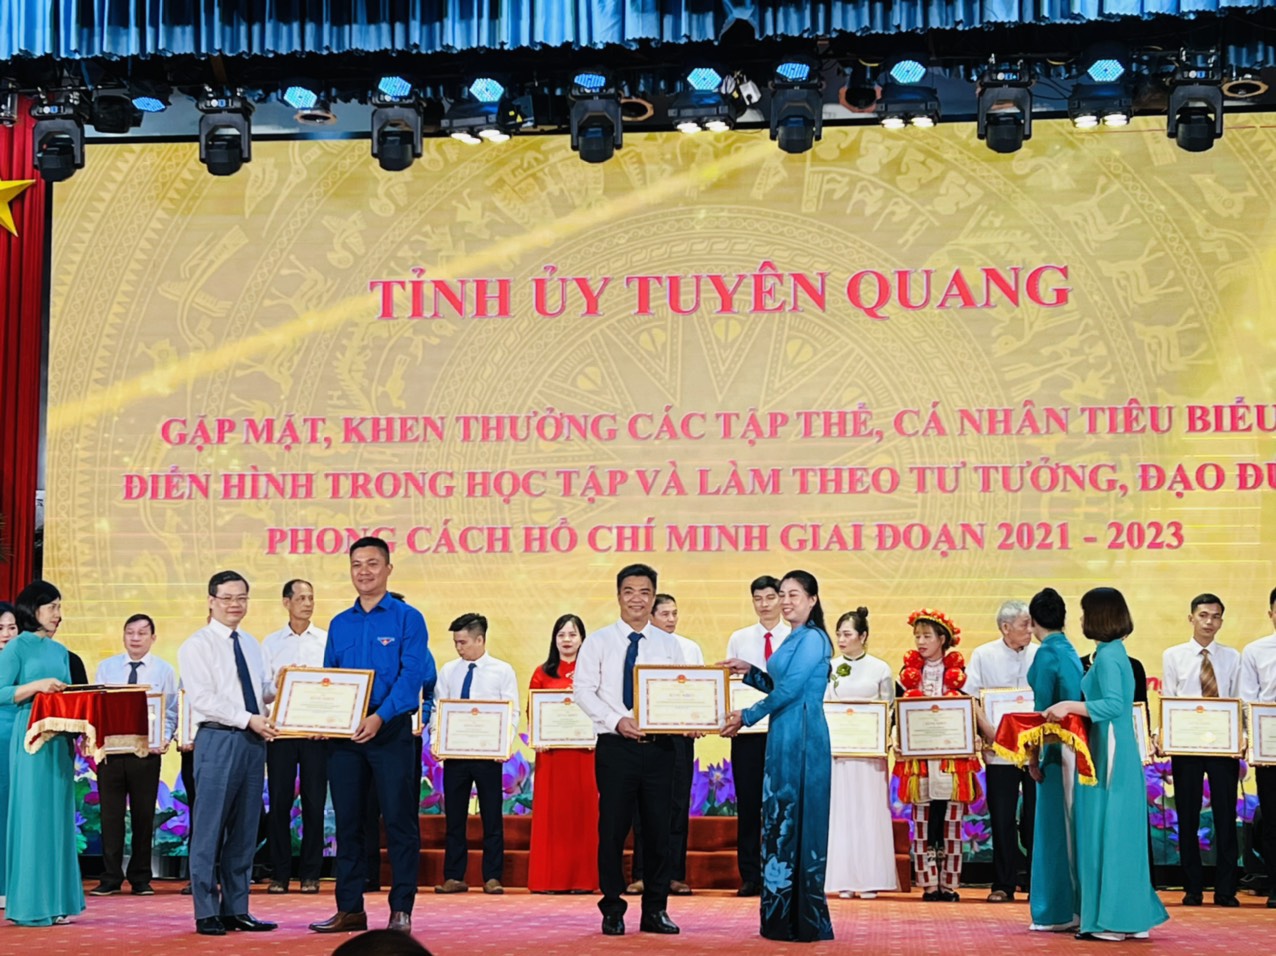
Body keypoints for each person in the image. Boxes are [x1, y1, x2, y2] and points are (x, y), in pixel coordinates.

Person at [311, 537, 428, 936]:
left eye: (372, 563)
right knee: (348, 824)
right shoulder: (340, 623)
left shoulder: (408, 618)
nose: (364, 571)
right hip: (345, 736)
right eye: (357, 564)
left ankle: (401, 910)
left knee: (398, 822)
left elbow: (411, 677)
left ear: (388, 569)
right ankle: (349, 909)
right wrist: (322, 718)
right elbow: (330, 679)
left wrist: (380, 717)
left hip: (390, 731)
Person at [1043, 587, 1169, 941]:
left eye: (1085, 613)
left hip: (1111, 748)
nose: (1081, 619)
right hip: (1107, 744)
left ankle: (1115, 920)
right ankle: (1126, 916)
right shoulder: (1110, 653)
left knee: (1111, 831)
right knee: (1114, 832)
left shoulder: (1110, 656)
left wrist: (1069, 705)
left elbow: (1114, 705)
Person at [721, 569, 833, 942]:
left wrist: (747, 715)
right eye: (782, 594)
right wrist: (750, 672)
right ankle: (780, 918)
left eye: (793, 594)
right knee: (779, 822)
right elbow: (779, 686)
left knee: (797, 822)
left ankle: (802, 919)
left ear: (812, 600)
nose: (785, 601)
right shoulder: (793, 637)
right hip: (783, 734)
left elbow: (791, 691)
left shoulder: (814, 638)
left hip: (803, 736)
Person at [573, 563, 684, 937]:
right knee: (613, 829)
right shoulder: (599, 641)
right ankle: (612, 908)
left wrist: (690, 717)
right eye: (629, 591)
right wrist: (616, 720)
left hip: (660, 748)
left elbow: (680, 691)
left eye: (644, 592)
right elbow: (583, 690)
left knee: (658, 832)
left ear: (653, 597)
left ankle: (655, 909)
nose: (637, 599)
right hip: (615, 747)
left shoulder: (670, 645)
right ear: (619, 595)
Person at [178, 571, 278, 936]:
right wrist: (248, 718)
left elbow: (261, 690)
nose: (235, 605)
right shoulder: (196, 645)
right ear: (211, 601)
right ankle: (206, 911)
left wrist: (287, 684)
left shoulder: (251, 643)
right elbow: (204, 699)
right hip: (218, 739)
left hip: (253, 741)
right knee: (209, 828)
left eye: (242, 598)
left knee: (245, 828)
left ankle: (237, 908)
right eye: (227, 598)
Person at [0, 581, 84, 926]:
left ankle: (58, 902)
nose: (58, 614)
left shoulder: (60, 651)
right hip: (31, 738)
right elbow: (1, 691)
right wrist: (36, 686)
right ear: (33, 609)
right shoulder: (16, 648)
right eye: (53, 607)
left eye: (59, 607)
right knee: (33, 816)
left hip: (59, 741)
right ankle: (30, 905)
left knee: (58, 820)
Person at [1159, 592, 1240, 907]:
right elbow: (1169, 697)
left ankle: (1226, 889)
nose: (1209, 622)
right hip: (1186, 746)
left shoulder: (1232, 657)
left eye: (1215, 616)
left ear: (1221, 621)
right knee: (1188, 816)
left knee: (1225, 817)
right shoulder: (1173, 655)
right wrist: (1166, 736)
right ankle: (1192, 887)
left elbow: (1237, 701)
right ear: (1191, 618)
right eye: (1203, 615)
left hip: (1223, 747)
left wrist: (1242, 736)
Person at [90, 613, 179, 897]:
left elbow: (170, 711)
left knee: (143, 815)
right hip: (111, 754)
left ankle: (140, 877)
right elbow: (98, 709)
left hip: (146, 754)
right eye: (130, 632)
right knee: (110, 816)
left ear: (153, 638)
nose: (136, 638)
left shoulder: (164, 670)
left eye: (142, 633)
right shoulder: (107, 667)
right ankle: (110, 877)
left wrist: (163, 739)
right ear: (123, 636)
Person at [893, 608, 978, 902]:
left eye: (927, 636)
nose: (920, 642)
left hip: (952, 759)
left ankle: (949, 883)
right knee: (921, 822)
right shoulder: (907, 676)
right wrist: (898, 741)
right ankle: (928, 883)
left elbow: (970, 711)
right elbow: (898, 714)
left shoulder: (961, 676)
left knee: (952, 822)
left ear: (942, 639)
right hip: (919, 759)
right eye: (917, 636)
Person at [432, 612, 518, 895]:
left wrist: (504, 744)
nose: (459, 648)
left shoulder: (502, 671)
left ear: (480, 639)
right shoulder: (448, 671)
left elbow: (512, 711)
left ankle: (492, 876)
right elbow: (438, 709)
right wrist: (437, 741)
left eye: (464, 642)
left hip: (488, 756)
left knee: (492, 817)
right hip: (455, 755)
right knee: (455, 818)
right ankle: (454, 876)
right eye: (456, 643)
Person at [965, 600, 1037, 902]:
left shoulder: (1040, 653)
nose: (1030, 630)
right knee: (1002, 817)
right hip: (999, 750)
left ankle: (1038, 883)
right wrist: (990, 731)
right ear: (1005, 627)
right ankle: (1003, 884)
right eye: (1024, 624)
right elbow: (971, 698)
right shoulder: (984, 654)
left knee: (1036, 818)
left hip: (1036, 750)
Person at [823, 607, 898, 899]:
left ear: (863, 636)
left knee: (870, 809)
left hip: (870, 753)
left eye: (847, 634)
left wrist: (882, 738)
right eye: (839, 634)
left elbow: (888, 710)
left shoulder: (880, 668)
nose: (841, 640)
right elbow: (824, 705)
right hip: (839, 751)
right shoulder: (830, 667)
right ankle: (842, 877)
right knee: (841, 810)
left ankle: (870, 877)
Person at [261, 578, 328, 895]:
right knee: (279, 804)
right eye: (301, 598)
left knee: (315, 804)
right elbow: (264, 694)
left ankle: (311, 873)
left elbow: (336, 687)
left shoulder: (325, 641)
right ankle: (280, 873)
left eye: (311, 598)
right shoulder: (271, 644)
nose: (308, 604)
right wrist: (277, 682)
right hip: (282, 734)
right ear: (286, 602)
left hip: (316, 735)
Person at [723, 575, 789, 896]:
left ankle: (781, 871)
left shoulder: (795, 637)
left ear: (781, 599)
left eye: (770, 598)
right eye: (758, 599)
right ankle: (750, 874)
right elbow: (730, 682)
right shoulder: (739, 638)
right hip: (748, 732)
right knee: (749, 805)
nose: (764, 605)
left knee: (781, 804)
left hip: (783, 730)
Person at [632, 593, 701, 896]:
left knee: (677, 804)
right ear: (650, 617)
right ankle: (641, 874)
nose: (672, 619)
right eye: (665, 614)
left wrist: (699, 721)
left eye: (675, 613)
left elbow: (700, 689)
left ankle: (675, 874)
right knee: (643, 806)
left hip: (680, 736)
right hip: (646, 736)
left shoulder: (689, 648)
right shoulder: (637, 647)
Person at [1023, 587, 1083, 932]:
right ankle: (1074, 906)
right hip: (1076, 746)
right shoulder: (1069, 649)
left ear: (1033, 621)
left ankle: (1056, 910)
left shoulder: (1046, 654)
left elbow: (1041, 712)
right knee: (1071, 827)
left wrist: (1032, 756)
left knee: (1054, 829)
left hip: (1056, 750)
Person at [527, 613, 598, 893]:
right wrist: (537, 736)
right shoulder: (542, 673)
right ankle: (549, 880)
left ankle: (583, 880)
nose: (567, 640)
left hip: (585, 754)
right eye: (561, 635)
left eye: (572, 634)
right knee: (552, 818)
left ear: (582, 639)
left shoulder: (593, 671)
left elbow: (602, 706)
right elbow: (533, 710)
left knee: (583, 815)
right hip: (552, 756)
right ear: (554, 639)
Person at [1239, 586, 1276, 910]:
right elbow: (1248, 701)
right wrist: (1254, 742)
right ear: (1271, 614)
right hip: (1270, 748)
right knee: (1273, 817)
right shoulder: (1255, 651)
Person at [0, 601, 19, 907]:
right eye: (0, 628)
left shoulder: (25, 662)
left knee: (12, 812)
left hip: (20, 738)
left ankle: (10, 884)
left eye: (11, 627)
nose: (5, 634)